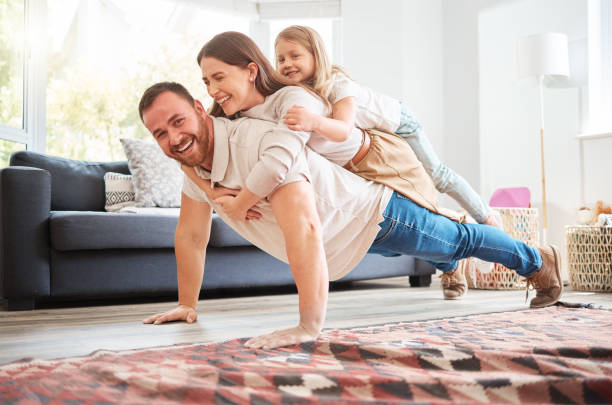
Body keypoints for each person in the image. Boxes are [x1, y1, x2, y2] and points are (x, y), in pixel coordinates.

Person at [139, 81, 563, 350]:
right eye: (160, 133)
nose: (174, 138)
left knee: (459, 239)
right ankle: (450, 264)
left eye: (178, 121)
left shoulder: (255, 141)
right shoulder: (195, 171)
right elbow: (191, 237)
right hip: (344, 242)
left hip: (373, 214)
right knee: (442, 248)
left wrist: (307, 326)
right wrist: (186, 304)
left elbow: (303, 226)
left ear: (199, 107)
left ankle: (538, 260)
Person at [195, 31, 468, 299]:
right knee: (383, 240)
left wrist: (241, 201)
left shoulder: (315, 89)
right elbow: (189, 157)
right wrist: (210, 189)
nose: (287, 64)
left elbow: (330, 136)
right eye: (281, 59)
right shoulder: (241, 110)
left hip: (375, 156)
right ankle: (449, 252)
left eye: (295, 56)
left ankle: (457, 248)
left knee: (422, 211)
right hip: (345, 171)